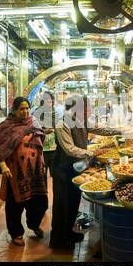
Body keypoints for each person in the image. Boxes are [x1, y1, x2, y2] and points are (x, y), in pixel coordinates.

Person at [49, 94, 122, 249]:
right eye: (87, 107)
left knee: (73, 201)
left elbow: (100, 128)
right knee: (62, 204)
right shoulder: (63, 124)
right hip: (63, 168)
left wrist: (120, 131)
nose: (90, 110)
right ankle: (57, 239)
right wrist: (92, 153)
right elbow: (70, 149)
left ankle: (68, 232)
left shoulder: (82, 120)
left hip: (76, 167)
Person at [0, 97, 48, 247]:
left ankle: (34, 224)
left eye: (27, 108)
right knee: (14, 206)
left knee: (40, 203)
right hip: (15, 174)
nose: (25, 112)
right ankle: (16, 233)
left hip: (35, 172)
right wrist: (3, 167)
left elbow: (41, 138)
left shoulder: (33, 122)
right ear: (14, 110)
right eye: (21, 109)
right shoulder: (6, 127)